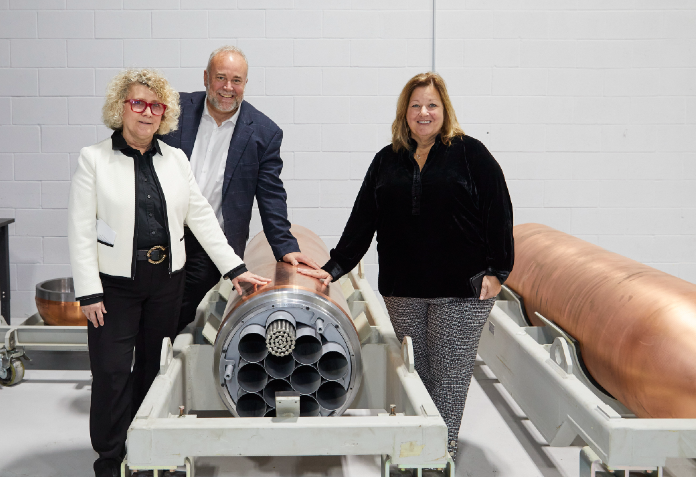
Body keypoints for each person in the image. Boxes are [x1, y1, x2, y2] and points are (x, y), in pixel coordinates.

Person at [298, 72, 514, 461]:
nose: (424, 112)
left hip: (462, 291)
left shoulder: (470, 154)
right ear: (405, 113)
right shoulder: (387, 160)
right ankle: (420, 450)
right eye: (415, 105)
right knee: (417, 374)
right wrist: (333, 268)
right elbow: (362, 220)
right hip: (403, 289)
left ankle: (436, 456)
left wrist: (499, 271)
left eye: (432, 105)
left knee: (448, 378)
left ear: (444, 110)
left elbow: (498, 211)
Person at [68, 68, 270, 477]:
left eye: (155, 105)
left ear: (165, 114)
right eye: (138, 103)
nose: (147, 112)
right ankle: (110, 458)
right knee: (110, 373)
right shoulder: (94, 159)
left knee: (154, 369)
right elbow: (80, 228)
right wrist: (89, 292)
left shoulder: (176, 159)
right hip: (114, 288)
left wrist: (235, 269)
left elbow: (201, 217)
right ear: (120, 108)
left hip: (165, 282)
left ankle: (146, 451)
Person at [162, 46, 318, 334]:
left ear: (245, 84)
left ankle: (160, 362)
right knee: (154, 305)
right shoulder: (174, 110)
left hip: (211, 243)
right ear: (206, 77)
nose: (228, 88)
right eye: (221, 77)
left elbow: (271, 194)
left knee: (179, 311)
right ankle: (149, 362)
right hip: (163, 234)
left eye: (237, 80)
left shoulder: (263, 132)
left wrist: (285, 248)